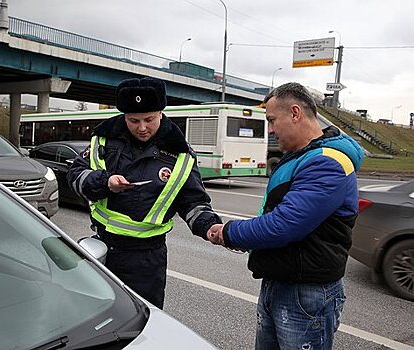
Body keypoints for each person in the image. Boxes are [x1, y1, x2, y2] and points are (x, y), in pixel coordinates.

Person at [207, 82, 364, 349]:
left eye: (271, 120)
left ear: (294, 113)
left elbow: (285, 225)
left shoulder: (327, 162)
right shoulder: (302, 156)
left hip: (305, 292)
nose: (270, 130)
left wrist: (229, 233)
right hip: (282, 282)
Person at [67, 77, 222, 309]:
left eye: (149, 119)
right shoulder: (103, 141)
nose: (142, 127)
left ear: (160, 112)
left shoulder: (180, 154)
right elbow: (75, 176)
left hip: (147, 258)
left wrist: (209, 225)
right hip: (102, 246)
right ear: (124, 117)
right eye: (133, 120)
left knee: (143, 318)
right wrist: (105, 181)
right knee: (97, 316)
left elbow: (193, 201)